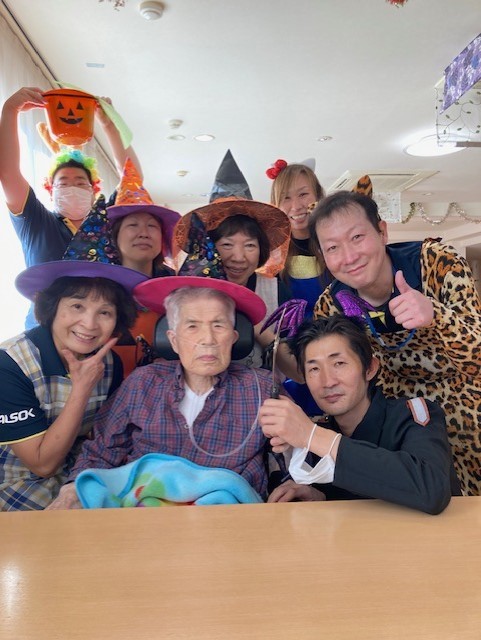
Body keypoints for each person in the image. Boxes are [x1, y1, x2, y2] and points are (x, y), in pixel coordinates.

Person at [47, 276, 280, 510]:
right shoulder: (144, 382)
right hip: (145, 514)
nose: (208, 339)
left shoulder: (262, 387)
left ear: (234, 337)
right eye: (192, 326)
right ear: (173, 340)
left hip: (226, 516)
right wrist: (72, 490)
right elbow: (102, 451)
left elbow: (289, 454)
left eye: (218, 325)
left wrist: (295, 483)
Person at [309, 190, 481, 496]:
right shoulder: (331, 304)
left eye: (357, 237)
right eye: (333, 247)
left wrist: (437, 316)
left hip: (467, 412)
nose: (349, 257)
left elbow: (476, 358)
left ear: (382, 232)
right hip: (399, 424)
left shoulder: (436, 264)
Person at [259, 315, 460, 514]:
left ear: (370, 369)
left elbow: (431, 490)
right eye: (314, 368)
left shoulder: (413, 417)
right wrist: (321, 497)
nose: (328, 381)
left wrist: (311, 436)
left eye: (339, 363)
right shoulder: (322, 432)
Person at [0, 259, 147, 511]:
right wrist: (82, 388)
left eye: (105, 312)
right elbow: (42, 465)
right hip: (14, 482)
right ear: (52, 307)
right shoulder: (10, 364)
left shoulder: (109, 363)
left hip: (76, 472)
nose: (89, 324)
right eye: (77, 306)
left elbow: (104, 437)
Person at [0, 87, 142, 327]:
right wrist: (10, 110)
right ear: (50, 190)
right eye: (63, 183)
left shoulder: (107, 222)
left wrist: (108, 126)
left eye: (80, 182)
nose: (72, 187)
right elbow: (7, 173)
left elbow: (133, 178)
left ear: (94, 190)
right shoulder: (36, 222)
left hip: (99, 329)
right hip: (44, 330)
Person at [174, 150, 299, 380]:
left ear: (261, 249)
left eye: (250, 245)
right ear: (210, 247)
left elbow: (298, 373)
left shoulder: (275, 291)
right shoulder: (188, 292)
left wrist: (261, 332)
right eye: (227, 244)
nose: (239, 257)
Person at [267, 158, 330, 317]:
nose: (296, 206)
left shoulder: (337, 243)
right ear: (276, 205)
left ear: (318, 196)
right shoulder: (270, 255)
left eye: (303, 194)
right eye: (285, 198)